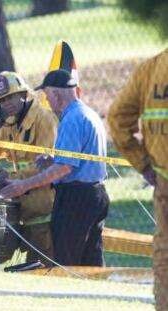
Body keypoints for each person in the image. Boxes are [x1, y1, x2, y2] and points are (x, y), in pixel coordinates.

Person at [1, 69, 109, 267]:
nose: (47, 101)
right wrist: (54, 158)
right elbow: (81, 158)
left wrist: (23, 185)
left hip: (76, 197)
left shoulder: (71, 120)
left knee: (66, 261)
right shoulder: (89, 114)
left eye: (47, 95)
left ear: (57, 95)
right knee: (91, 259)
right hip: (96, 194)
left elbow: (64, 169)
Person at [107, 49, 168, 311]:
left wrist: (144, 165)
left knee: (165, 254)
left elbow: (117, 118)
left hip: (164, 179)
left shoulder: (151, 70)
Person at [0, 71, 58, 266]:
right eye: (2, 101)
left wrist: (11, 176)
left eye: (10, 97)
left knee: (43, 270)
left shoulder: (44, 119)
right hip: (26, 214)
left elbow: (46, 165)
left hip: (45, 213)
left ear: (23, 94)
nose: (7, 104)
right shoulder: (11, 125)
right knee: (29, 269)